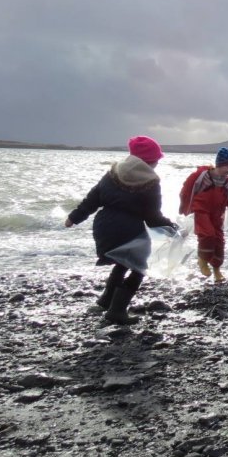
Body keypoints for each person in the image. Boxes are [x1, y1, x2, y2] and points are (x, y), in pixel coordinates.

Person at [64, 136, 175, 324]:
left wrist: (73, 218)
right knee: (139, 267)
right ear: (149, 161)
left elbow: (92, 199)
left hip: (103, 227)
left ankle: (105, 301)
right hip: (129, 229)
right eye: (156, 160)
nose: (157, 163)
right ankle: (117, 310)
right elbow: (152, 217)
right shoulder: (150, 182)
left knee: (123, 262)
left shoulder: (113, 173)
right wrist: (172, 229)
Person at [179, 147, 228, 283]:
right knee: (207, 234)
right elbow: (187, 190)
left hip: (218, 214)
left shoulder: (227, 181)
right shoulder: (203, 177)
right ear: (220, 165)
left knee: (219, 241)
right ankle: (202, 259)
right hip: (201, 210)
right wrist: (184, 206)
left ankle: (217, 270)